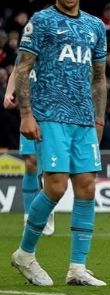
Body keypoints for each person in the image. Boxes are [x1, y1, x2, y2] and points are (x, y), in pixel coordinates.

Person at [11, 0, 108, 286]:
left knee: (87, 187)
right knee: (55, 186)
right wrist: (26, 113)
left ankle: (77, 268)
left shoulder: (95, 26)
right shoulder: (41, 22)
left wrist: (99, 118)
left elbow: (99, 78)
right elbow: (23, 70)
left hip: (83, 118)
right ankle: (25, 254)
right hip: (50, 114)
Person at [3, 69, 55, 236]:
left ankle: (46, 211)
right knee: (30, 162)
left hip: (52, 116)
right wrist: (8, 93)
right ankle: (28, 217)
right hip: (29, 114)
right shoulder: (27, 50)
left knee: (47, 165)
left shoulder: (54, 51)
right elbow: (17, 71)